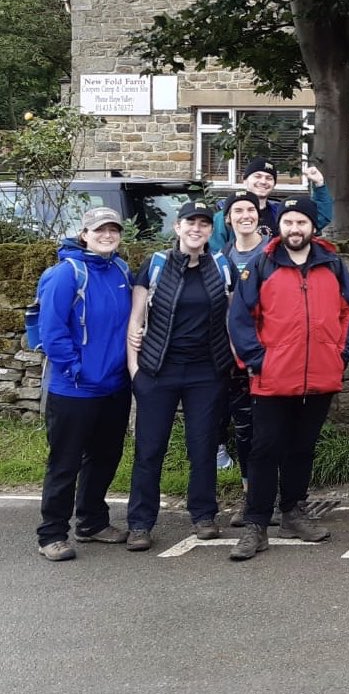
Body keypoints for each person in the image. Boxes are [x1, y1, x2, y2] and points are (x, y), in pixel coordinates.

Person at [227, 198, 349, 560]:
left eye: (301, 221)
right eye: (288, 222)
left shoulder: (332, 264)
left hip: (320, 374)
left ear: (312, 227)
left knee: (302, 448)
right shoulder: (262, 263)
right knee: (265, 450)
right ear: (280, 226)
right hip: (273, 377)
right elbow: (240, 317)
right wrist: (259, 360)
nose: (294, 229)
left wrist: (341, 355)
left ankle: (293, 512)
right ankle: (256, 524)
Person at [125, 200, 238, 552]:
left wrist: (232, 363)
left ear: (210, 230)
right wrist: (135, 370)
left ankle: (203, 516)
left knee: (203, 446)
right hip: (159, 370)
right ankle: (140, 524)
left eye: (204, 224)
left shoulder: (222, 265)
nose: (197, 229)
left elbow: (232, 320)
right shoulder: (155, 265)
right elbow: (136, 319)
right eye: (191, 222)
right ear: (177, 227)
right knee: (149, 449)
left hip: (207, 372)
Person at [34, 207, 134, 561]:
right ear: (84, 234)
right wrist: (75, 369)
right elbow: (52, 330)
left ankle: (92, 522)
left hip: (114, 386)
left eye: (113, 230)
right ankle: (52, 534)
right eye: (100, 230)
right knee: (65, 462)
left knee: (105, 457)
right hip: (73, 388)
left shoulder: (121, 269)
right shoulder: (66, 274)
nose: (107, 235)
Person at [217, 189, 267, 520]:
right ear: (229, 219)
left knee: (276, 427)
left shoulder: (273, 254)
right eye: (238, 210)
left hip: (272, 354)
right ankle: (251, 497)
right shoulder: (220, 259)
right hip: (234, 358)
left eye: (250, 209)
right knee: (245, 428)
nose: (245, 215)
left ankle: (283, 496)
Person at [209, 157, 333, 251]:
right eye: (257, 176)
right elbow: (216, 254)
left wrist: (319, 185)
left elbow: (319, 218)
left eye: (269, 178)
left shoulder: (280, 212)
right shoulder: (225, 216)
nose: (263, 181)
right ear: (245, 180)